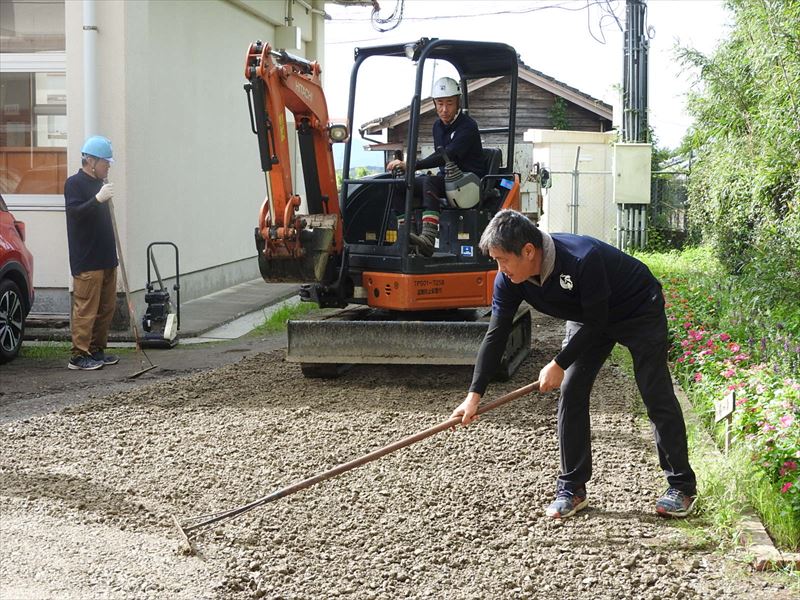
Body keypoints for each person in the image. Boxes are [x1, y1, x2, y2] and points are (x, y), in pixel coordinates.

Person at [450, 209, 697, 519]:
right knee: (572, 388)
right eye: (496, 261)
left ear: (528, 251)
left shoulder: (582, 258)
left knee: (654, 390)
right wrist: (474, 396)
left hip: (637, 308)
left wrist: (559, 361)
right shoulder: (510, 279)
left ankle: (681, 487)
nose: (500, 269)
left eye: (503, 260)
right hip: (588, 315)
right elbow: (496, 334)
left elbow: (599, 321)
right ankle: (572, 488)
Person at [386, 76, 485, 256]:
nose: (444, 109)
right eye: (440, 104)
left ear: (458, 103)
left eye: (449, 103)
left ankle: (428, 239)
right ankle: (407, 236)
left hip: (469, 181)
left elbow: (448, 155)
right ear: (434, 104)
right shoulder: (437, 127)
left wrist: (412, 165)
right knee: (398, 185)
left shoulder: (468, 126)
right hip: (448, 180)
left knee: (430, 182)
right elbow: (441, 156)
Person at [63, 135, 120, 371]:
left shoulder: (100, 183)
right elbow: (76, 214)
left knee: (106, 308)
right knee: (86, 309)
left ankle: (96, 349)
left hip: (106, 257)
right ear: (91, 160)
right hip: (87, 259)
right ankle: (78, 355)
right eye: (106, 162)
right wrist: (97, 199)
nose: (108, 166)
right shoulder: (74, 184)